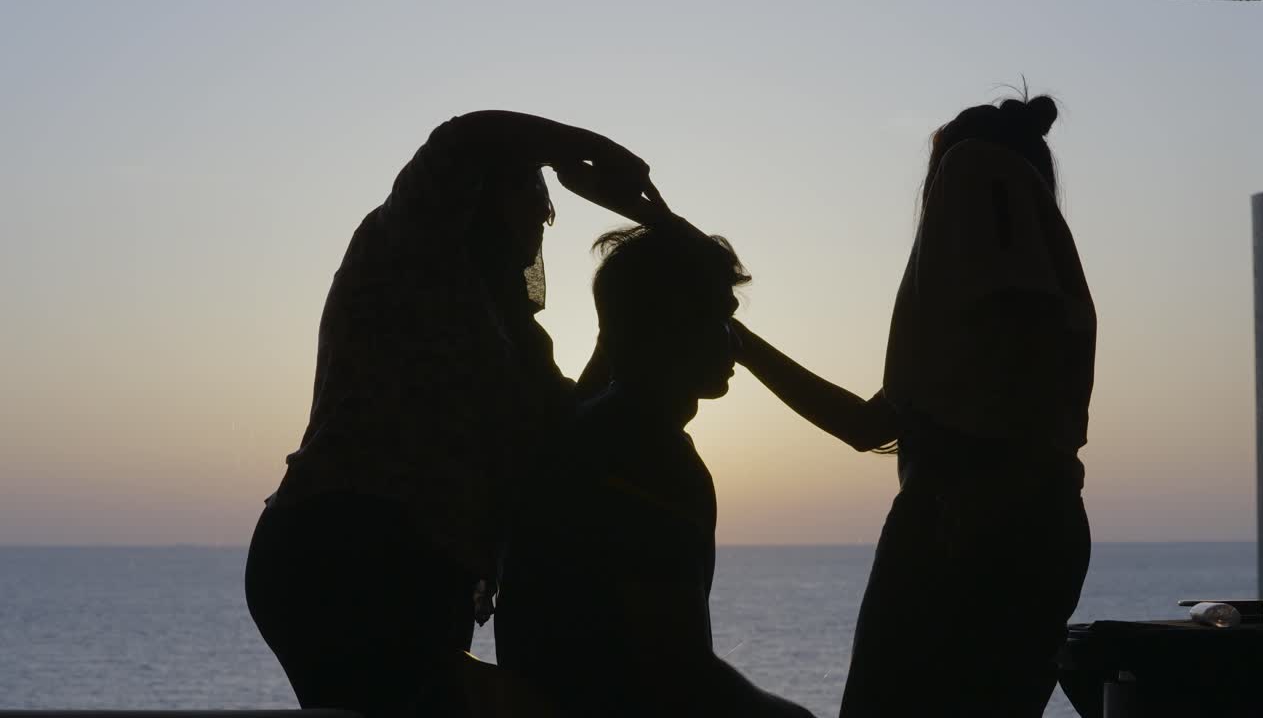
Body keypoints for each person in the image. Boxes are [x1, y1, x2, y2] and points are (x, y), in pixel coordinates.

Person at [243, 110, 664, 718]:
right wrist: (594, 152)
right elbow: (463, 137)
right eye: (525, 197)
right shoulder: (406, 249)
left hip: (424, 570)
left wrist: (619, 334)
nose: (535, 223)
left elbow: (570, 427)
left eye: (541, 210)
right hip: (345, 547)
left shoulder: (514, 330)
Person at [733, 94, 1095, 717]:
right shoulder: (1044, 302)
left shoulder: (977, 180)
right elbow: (867, 426)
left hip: (957, 528)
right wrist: (740, 343)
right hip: (1043, 530)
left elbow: (873, 427)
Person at [496, 221, 815, 718]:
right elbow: (679, 671)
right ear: (673, 327)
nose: (733, 341)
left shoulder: (591, 434)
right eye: (719, 319)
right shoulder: (648, 458)